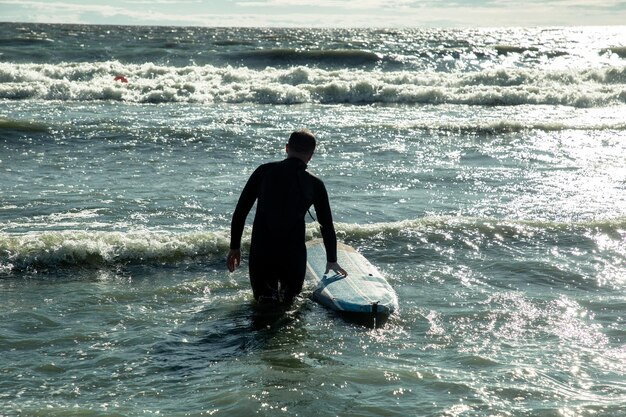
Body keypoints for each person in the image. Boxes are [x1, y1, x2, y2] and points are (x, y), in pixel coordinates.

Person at [227, 129, 347, 304]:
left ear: (286, 148)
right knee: (290, 307)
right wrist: (332, 260)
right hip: (293, 255)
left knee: (263, 306)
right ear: (311, 155)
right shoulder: (315, 184)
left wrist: (235, 247)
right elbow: (326, 225)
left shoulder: (263, 172)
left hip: (262, 251)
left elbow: (241, 211)